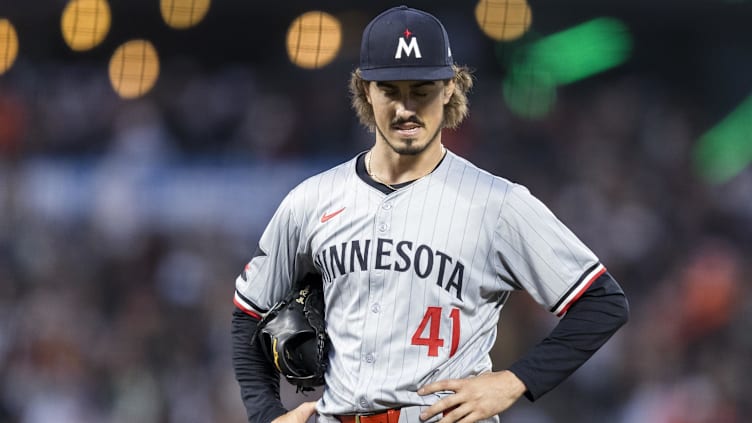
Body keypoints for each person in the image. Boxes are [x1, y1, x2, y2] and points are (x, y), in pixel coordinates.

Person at [232, 5, 629, 423]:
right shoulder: (311, 200)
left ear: (448, 89)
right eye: (390, 90)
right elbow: (249, 311)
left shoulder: (497, 203)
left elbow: (602, 303)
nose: (406, 108)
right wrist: (265, 414)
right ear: (365, 90)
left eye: (421, 91)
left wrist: (514, 381)